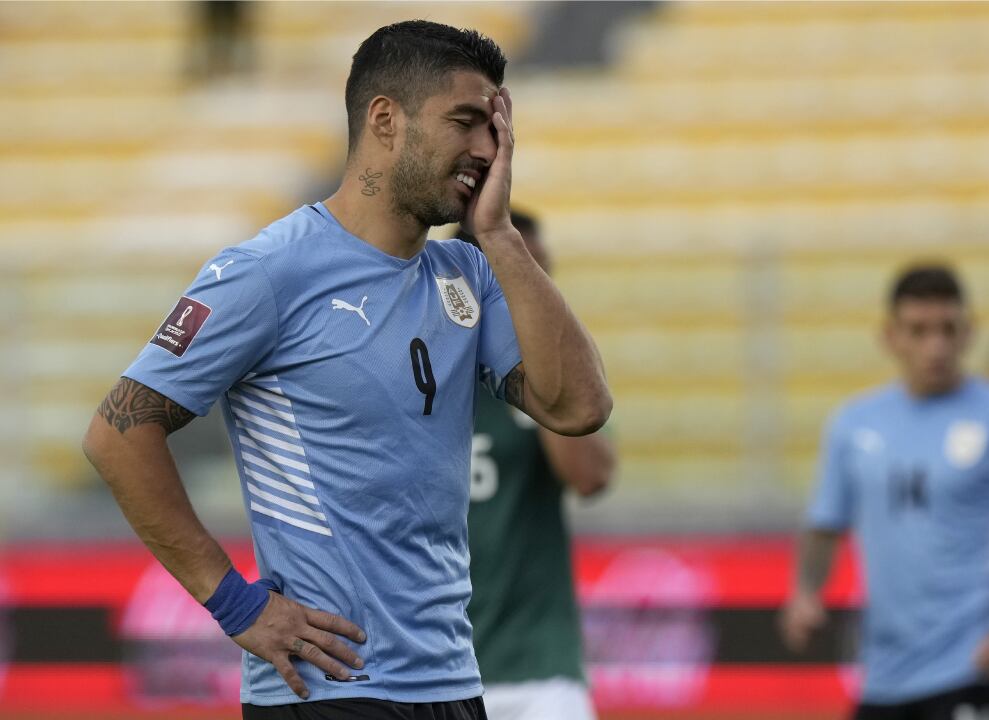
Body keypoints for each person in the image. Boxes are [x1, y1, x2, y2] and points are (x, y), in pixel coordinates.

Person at [81, 20, 611, 720]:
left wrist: (502, 237)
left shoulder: (469, 275)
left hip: (451, 682)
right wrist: (236, 604)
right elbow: (116, 434)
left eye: (495, 128)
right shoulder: (270, 271)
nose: (486, 149)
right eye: (465, 122)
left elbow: (579, 409)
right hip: (330, 689)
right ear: (385, 121)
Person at [779, 264, 989, 720]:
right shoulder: (854, 424)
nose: (935, 346)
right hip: (884, 673)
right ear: (890, 336)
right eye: (918, 331)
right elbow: (824, 524)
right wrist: (805, 592)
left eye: (947, 329)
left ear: (969, 333)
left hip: (974, 666)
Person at [455, 210, 615, 720]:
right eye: (519, 269)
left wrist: (536, 356)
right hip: (435, 667)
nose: (537, 285)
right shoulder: (417, 370)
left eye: (541, 270)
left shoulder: (560, 380)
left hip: (538, 666)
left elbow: (590, 476)